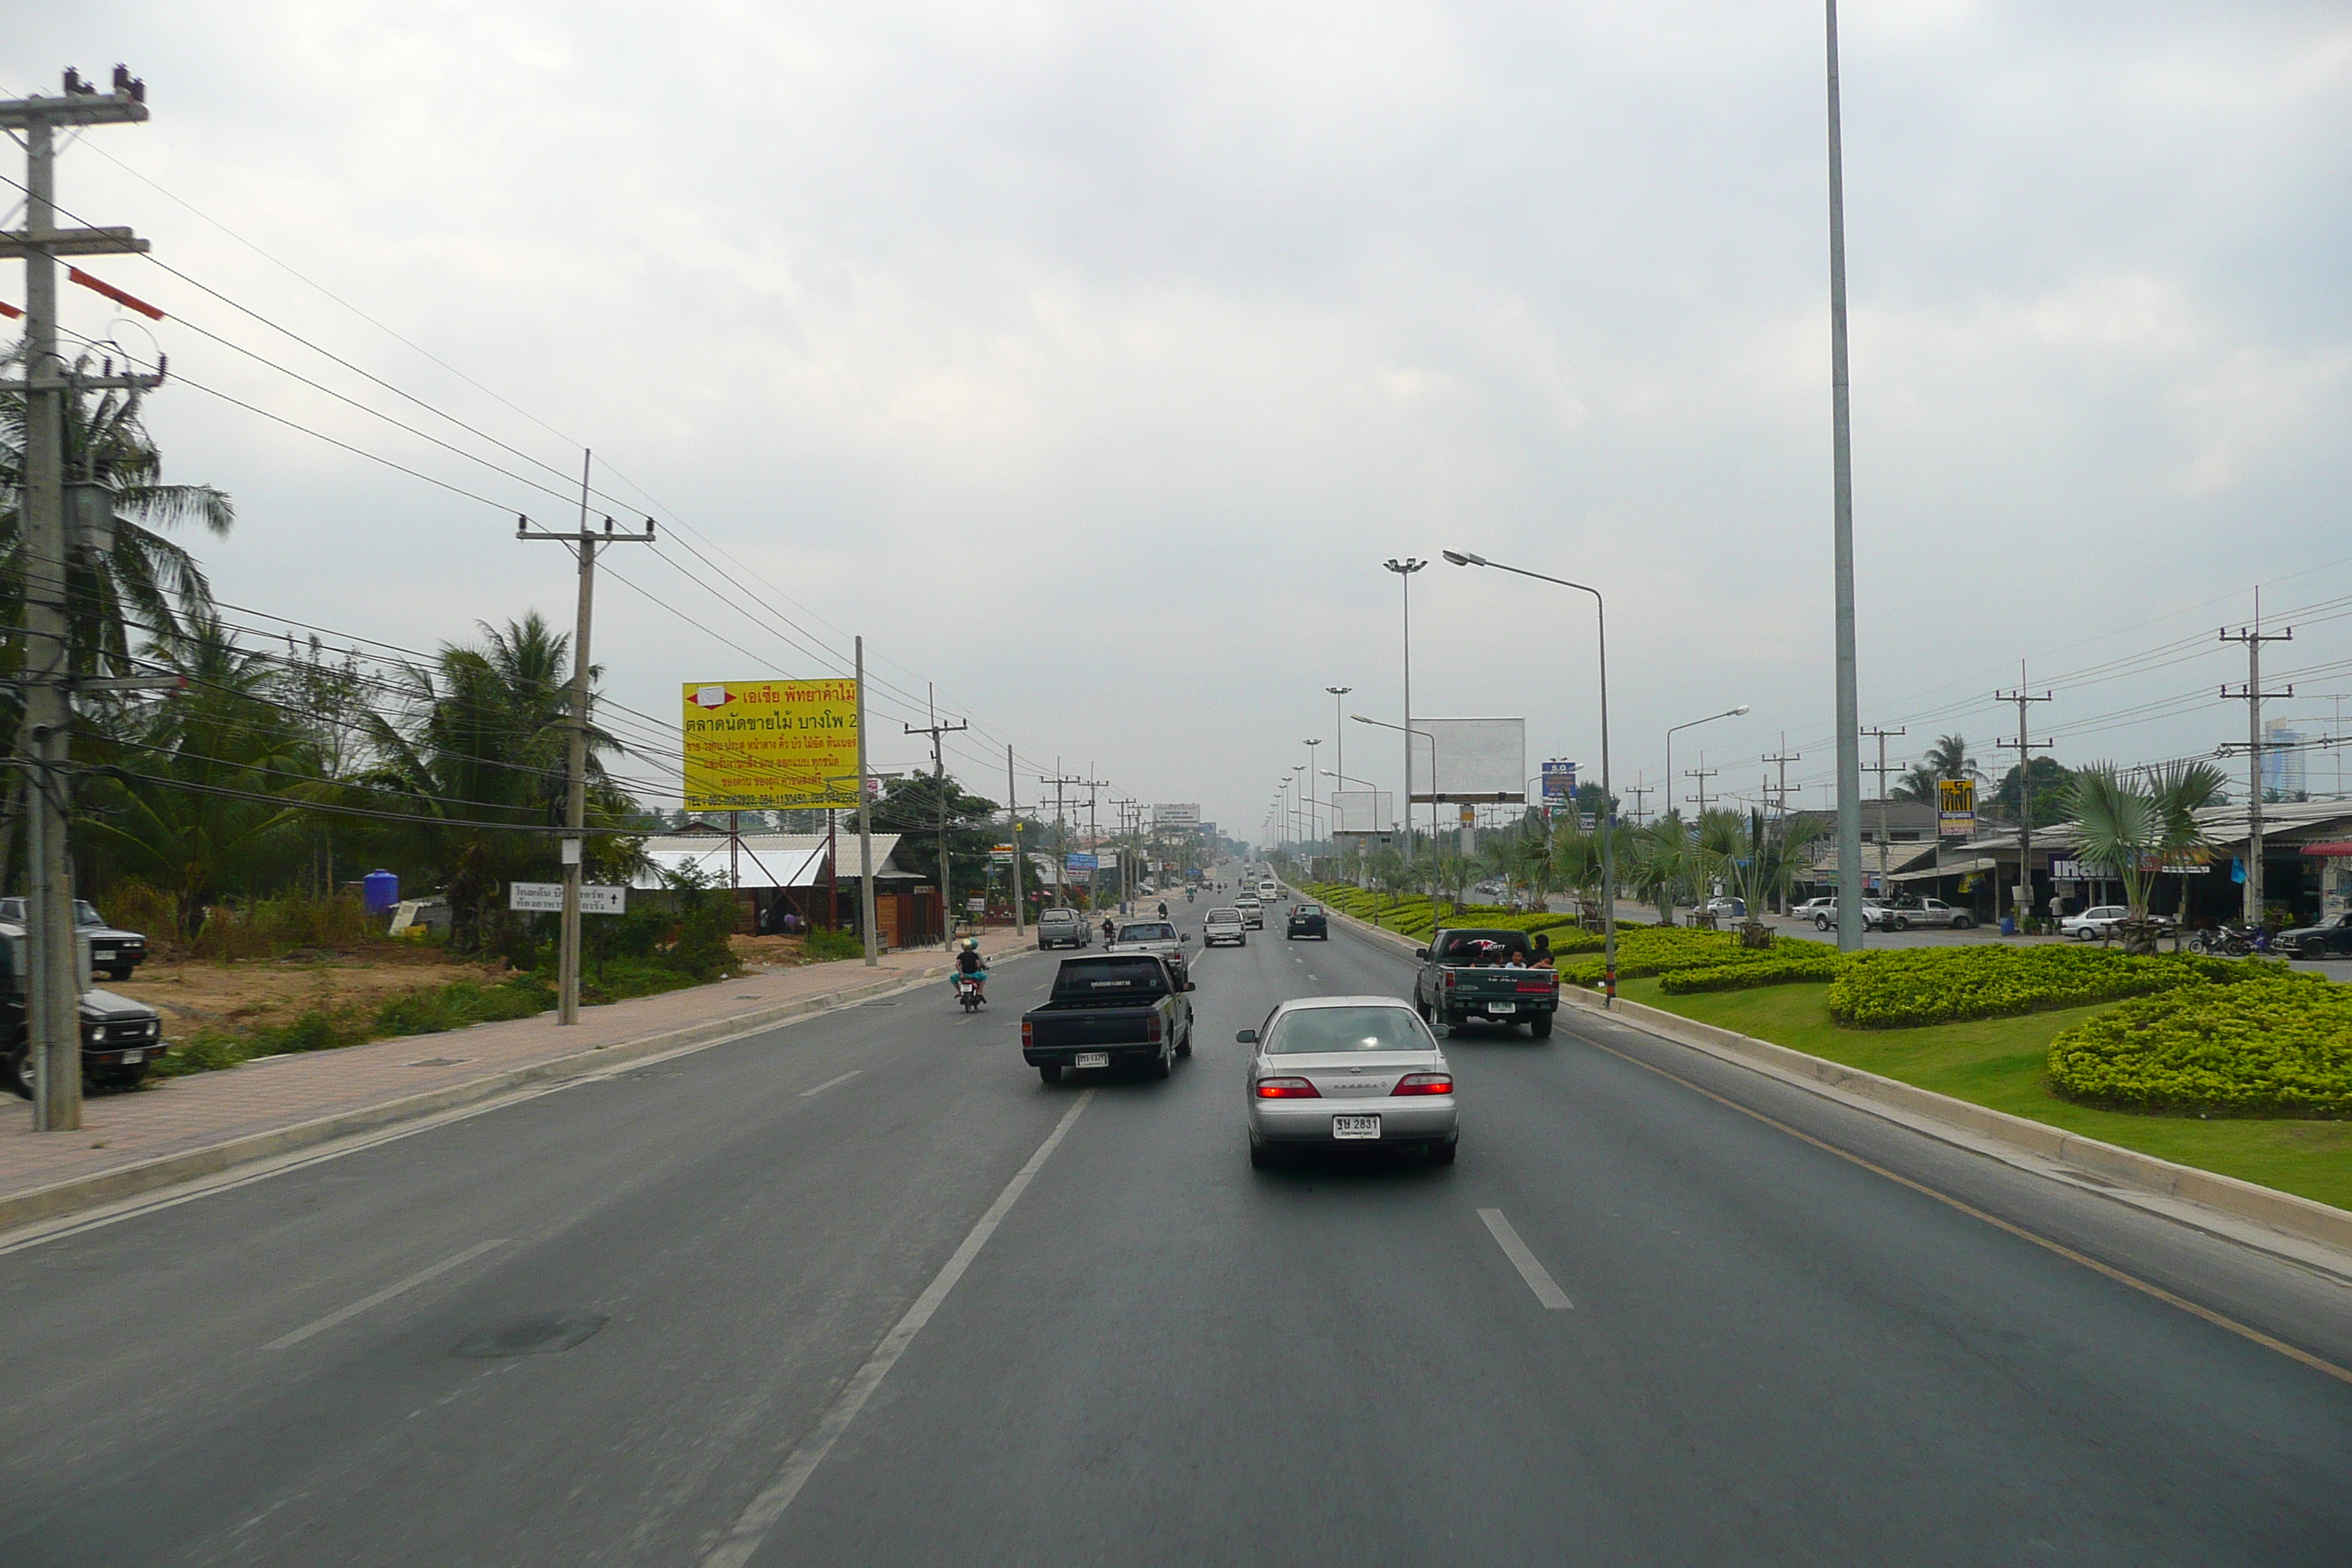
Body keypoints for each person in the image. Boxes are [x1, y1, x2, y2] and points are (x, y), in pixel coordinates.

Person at [953, 937, 987, 1002]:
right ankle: (979, 992)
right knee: (984, 977)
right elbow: (979, 964)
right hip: (974, 974)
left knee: (953, 978)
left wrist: (961, 974)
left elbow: (957, 964)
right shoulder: (975, 954)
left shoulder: (961, 955)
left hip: (964, 975)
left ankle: (960, 991)